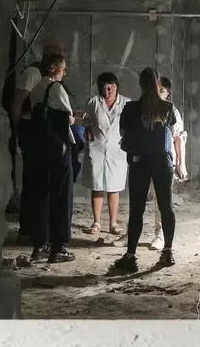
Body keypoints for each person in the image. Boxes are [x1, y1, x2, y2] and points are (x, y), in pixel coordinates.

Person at [112, 67, 180, 273]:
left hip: (139, 161)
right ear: (157, 84)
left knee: (137, 210)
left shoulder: (131, 108)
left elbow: (123, 132)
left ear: (140, 85)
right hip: (163, 161)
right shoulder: (168, 108)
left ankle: (131, 256)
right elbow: (172, 129)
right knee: (166, 206)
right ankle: (167, 251)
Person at [11, 38, 66, 241]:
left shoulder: (48, 76)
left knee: (40, 183)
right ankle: (28, 229)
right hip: (32, 132)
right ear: (47, 54)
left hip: (40, 134)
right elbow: (18, 101)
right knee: (34, 183)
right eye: (58, 51)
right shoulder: (34, 73)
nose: (62, 55)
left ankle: (37, 229)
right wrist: (17, 130)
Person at [25, 52, 76, 264]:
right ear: (54, 69)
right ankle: (58, 246)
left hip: (39, 149)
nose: (64, 73)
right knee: (61, 197)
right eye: (63, 69)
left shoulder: (36, 88)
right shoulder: (56, 88)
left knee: (41, 196)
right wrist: (74, 118)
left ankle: (40, 245)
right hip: (58, 150)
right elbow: (68, 118)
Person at [81, 72, 130, 236]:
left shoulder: (126, 103)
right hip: (97, 150)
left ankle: (113, 223)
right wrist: (89, 141)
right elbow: (86, 124)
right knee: (97, 187)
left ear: (116, 87)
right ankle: (96, 222)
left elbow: (130, 127)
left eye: (111, 87)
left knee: (114, 188)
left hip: (117, 151)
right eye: (104, 88)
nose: (107, 91)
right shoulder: (94, 102)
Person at [148, 76, 187, 251]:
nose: (159, 93)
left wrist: (181, 164)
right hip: (145, 159)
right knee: (139, 198)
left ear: (168, 93)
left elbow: (178, 138)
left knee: (160, 200)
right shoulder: (145, 109)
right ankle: (131, 233)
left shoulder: (172, 111)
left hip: (164, 160)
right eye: (157, 89)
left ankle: (160, 234)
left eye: (162, 90)